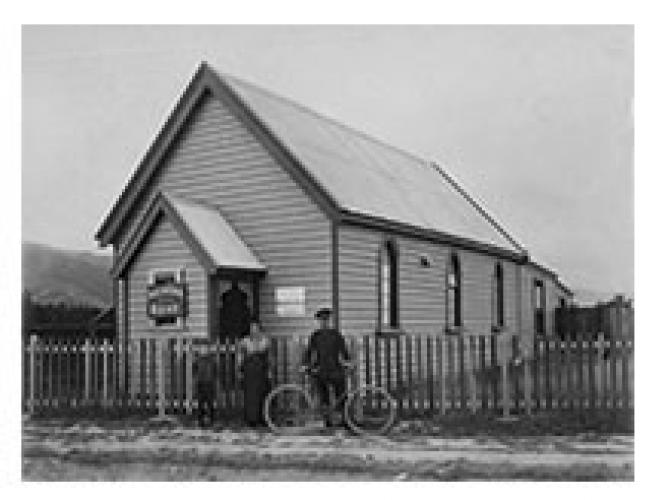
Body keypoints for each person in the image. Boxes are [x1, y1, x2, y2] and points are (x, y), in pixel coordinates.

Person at [301, 307, 351, 427]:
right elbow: (309, 352)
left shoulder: (336, 334)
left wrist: (348, 361)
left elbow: (343, 350)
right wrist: (306, 364)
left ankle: (345, 420)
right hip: (321, 369)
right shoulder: (315, 336)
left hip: (335, 368)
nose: (324, 322)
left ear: (329, 320)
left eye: (326, 320)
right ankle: (327, 421)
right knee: (324, 397)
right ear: (319, 322)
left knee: (342, 394)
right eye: (321, 320)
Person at [238, 321, 271, 427]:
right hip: (249, 371)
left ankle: (263, 418)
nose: (254, 330)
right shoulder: (245, 341)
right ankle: (251, 419)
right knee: (250, 396)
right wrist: (240, 370)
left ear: (260, 329)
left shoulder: (265, 341)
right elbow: (241, 357)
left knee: (262, 394)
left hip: (261, 371)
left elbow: (268, 358)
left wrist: (269, 371)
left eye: (256, 328)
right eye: (252, 328)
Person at [194, 347, 217, 427]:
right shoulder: (198, 360)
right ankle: (201, 420)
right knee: (201, 403)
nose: (204, 351)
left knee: (210, 403)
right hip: (201, 384)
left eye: (205, 349)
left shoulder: (212, 361)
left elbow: (215, 371)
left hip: (209, 384)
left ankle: (211, 420)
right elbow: (195, 370)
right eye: (202, 349)